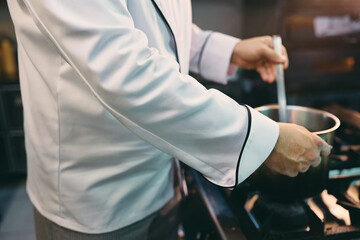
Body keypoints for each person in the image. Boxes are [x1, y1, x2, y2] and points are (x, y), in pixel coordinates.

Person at [7, 0, 331, 239]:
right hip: (98, 198)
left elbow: (151, 24)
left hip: (161, 177)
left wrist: (223, 50)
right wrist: (263, 140)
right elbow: (128, 74)